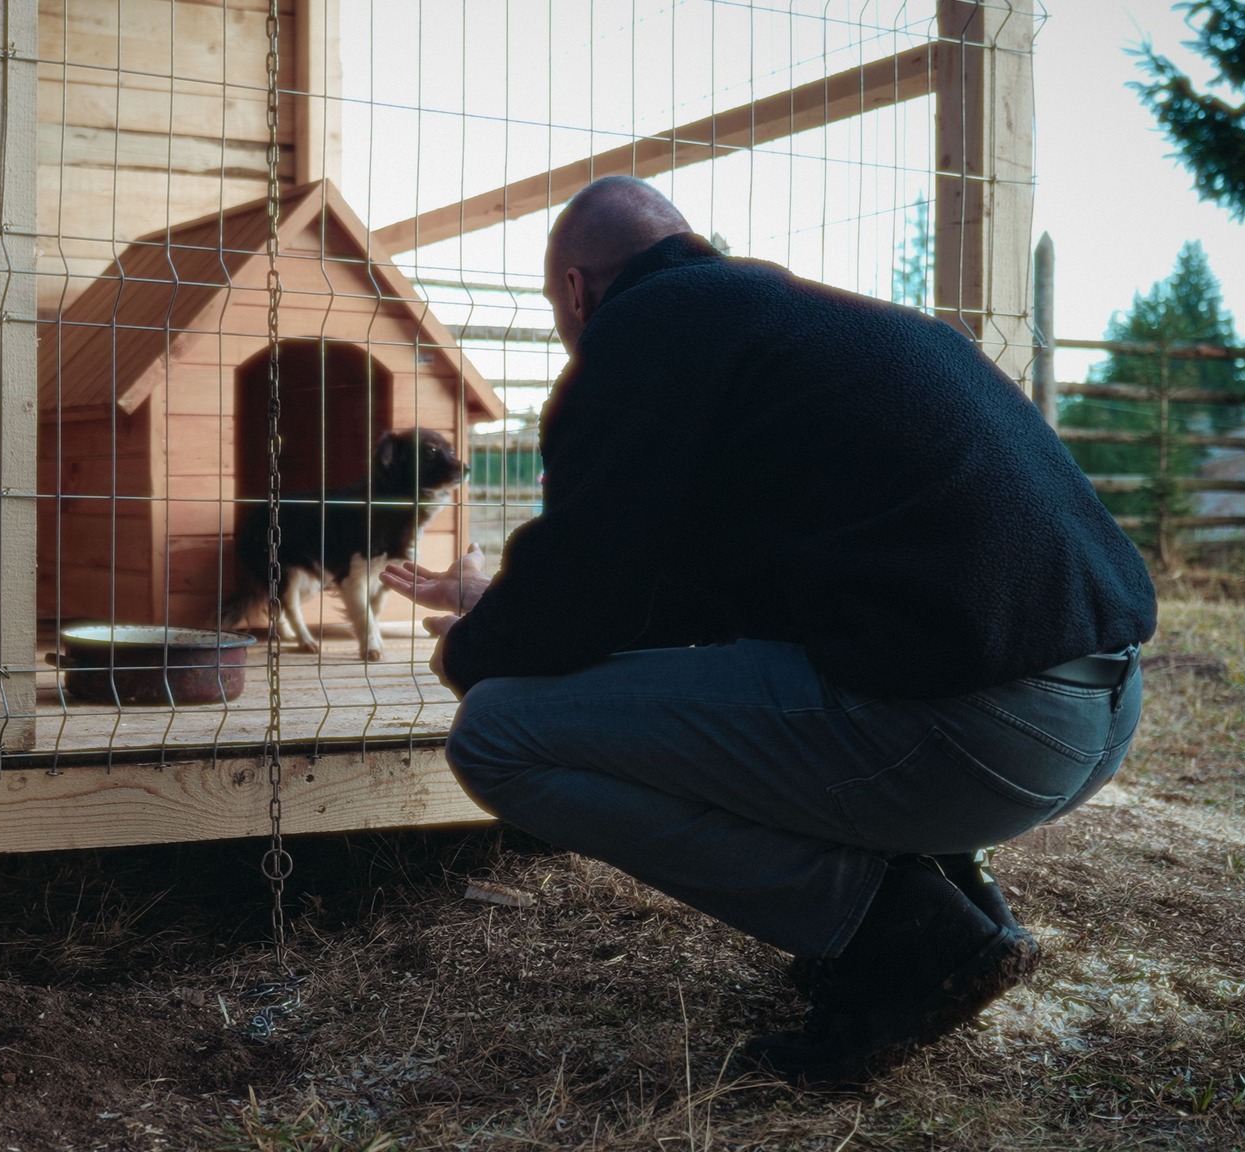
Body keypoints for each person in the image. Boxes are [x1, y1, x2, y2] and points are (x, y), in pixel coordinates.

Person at [380, 176, 1155, 1088]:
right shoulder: (796, 326)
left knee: (497, 733)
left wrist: (471, 646)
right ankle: (955, 895)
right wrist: (506, 602)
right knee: (780, 666)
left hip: (981, 733)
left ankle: (904, 940)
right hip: (1101, 711)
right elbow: (672, 603)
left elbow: (582, 600)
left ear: (578, 292)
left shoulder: (641, 337)